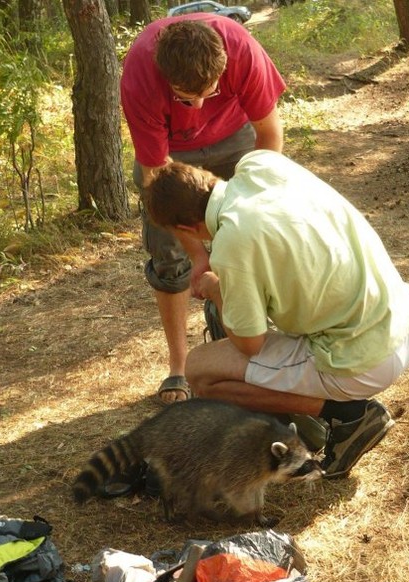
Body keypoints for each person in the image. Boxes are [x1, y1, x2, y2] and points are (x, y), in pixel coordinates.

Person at [145, 150, 409, 478]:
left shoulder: (234, 242)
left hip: (364, 359)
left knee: (201, 370)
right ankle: (330, 408)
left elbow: (250, 344)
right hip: (403, 319)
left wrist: (218, 289)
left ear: (186, 226)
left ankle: (349, 414)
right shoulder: (260, 165)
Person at [120, 15, 286, 404]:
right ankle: (179, 367)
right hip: (170, 153)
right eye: (183, 97)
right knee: (168, 256)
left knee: (259, 237)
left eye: (206, 93)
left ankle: (270, 346)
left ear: (223, 67)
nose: (195, 106)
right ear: (166, 77)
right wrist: (199, 256)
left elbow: (269, 136)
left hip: (238, 137)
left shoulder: (242, 50)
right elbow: (157, 180)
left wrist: (248, 208)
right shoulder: (141, 75)